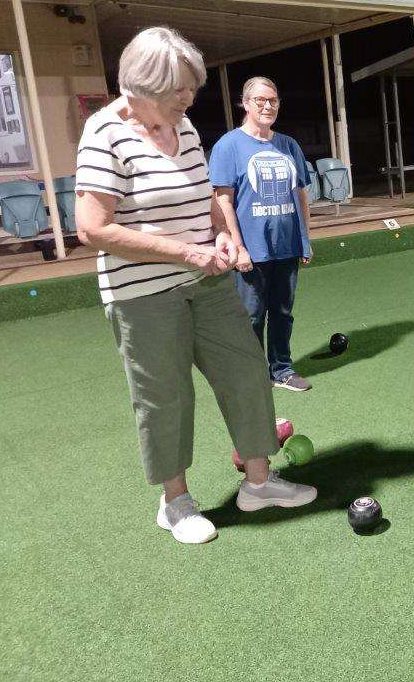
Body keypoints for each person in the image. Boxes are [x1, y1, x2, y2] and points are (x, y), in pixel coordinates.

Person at [74, 27, 316, 545]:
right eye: (178, 89)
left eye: (191, 88)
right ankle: (175, 503)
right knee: (165, 397)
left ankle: (258, 483)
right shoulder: (103, 134)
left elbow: (205, 192)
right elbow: (92, 228)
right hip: (142, 293)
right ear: (141, 86)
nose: (189, 99)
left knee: (247, 370)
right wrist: (184, 250)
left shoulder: (182, 126)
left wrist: (226, 234)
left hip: (206, 280)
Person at [208, 77, 313, 392]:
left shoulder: (288, 145)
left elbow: (301, 195)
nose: (268, 106)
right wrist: (238, 247)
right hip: (251, 250)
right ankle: (250, 374)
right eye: (260, 100)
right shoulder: (229, 145)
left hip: (287, 245)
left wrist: (304, 238)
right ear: (245, 103)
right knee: (251, 317)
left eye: (273, 100)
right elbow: (222, 200)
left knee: (283, 313)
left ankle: (281, 369)